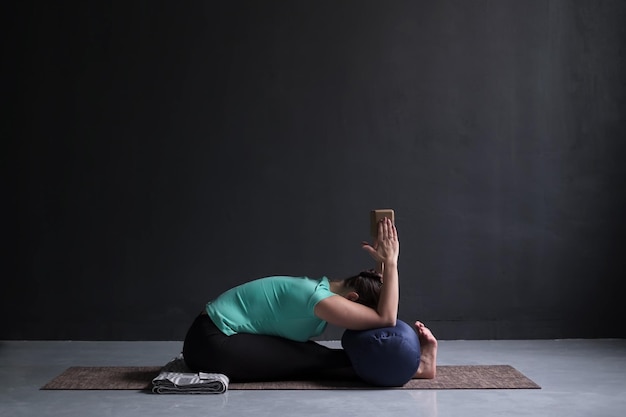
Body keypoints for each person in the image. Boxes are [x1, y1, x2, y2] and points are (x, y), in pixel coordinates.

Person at [182, 217, 438, 382]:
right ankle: (415, 370)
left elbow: (379, 303)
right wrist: (392, 263)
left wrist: (382, 265)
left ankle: (417, 368)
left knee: (313, 355)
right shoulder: (317, 298)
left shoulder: (320, 289)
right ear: (352, 298)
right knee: (316, 360)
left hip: (215, 336)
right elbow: (386, 317)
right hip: (211, 343)